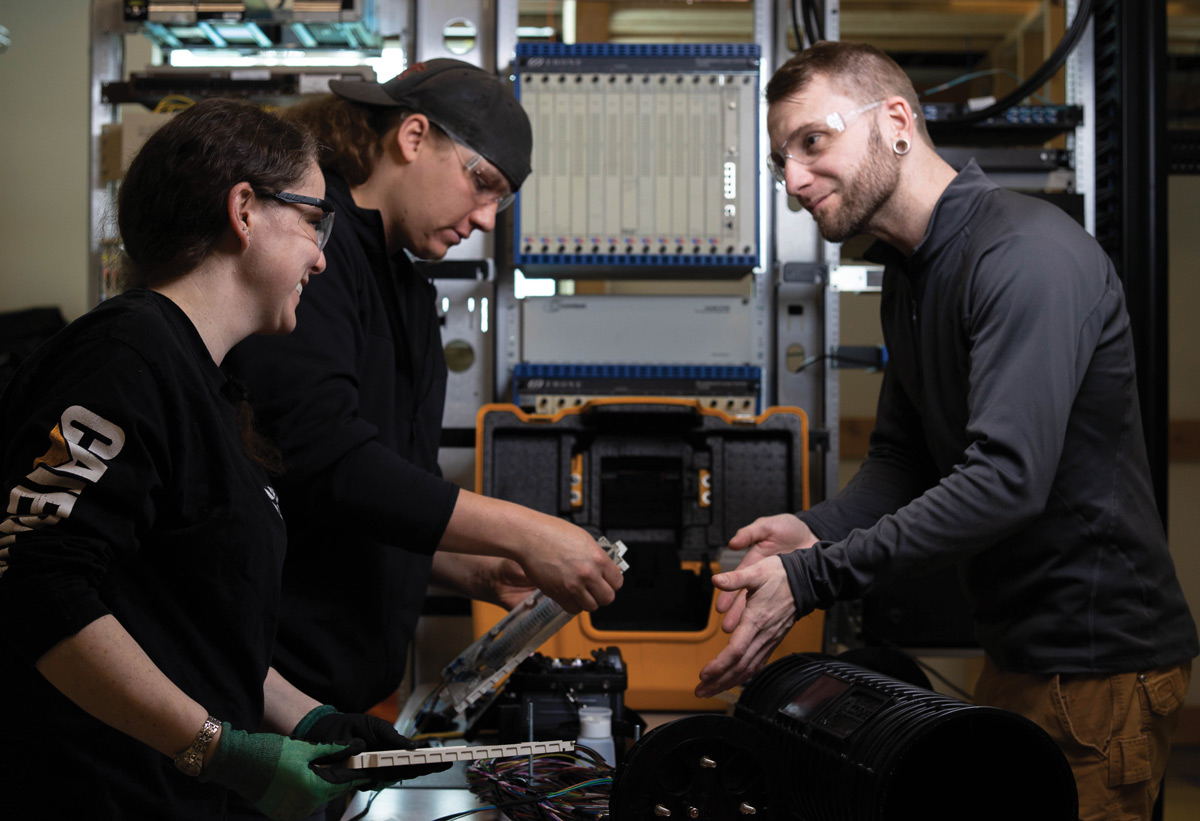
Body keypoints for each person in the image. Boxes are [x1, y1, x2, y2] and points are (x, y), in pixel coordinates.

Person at [695, 41, 1197, 821]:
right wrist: (812, 531)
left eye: (812, 141)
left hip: (1100, 669)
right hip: (1023, 656)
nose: (793, 181)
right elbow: (905, 456)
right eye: (780, 160)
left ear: (895, 121)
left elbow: (1006, 480)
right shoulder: (914, 273)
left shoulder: (1023, 254)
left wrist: (812, 578)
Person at [0, 98, 439, 820]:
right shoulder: (125, 357)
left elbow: (193, 625)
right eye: (312, 220)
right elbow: (39, 584)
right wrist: (219, 749)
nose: (323, 255)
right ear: (244, 210)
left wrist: (307, 718)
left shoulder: (210, 384)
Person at [224, 60, 623, 721]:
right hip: (265, 689)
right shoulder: (316, 257)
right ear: (413, 136)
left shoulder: (406, 290)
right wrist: (525, 534)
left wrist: (469, 568)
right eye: (483, 183)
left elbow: (381, 496)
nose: (489, 219)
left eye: (503, 200)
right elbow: (326, 460)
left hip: (343, 693)